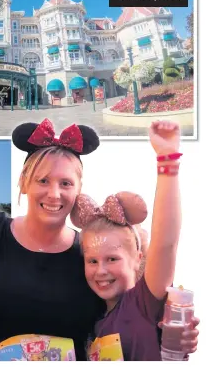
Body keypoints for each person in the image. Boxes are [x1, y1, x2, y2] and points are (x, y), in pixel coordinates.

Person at [0, 79, 199, 361]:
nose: (54, 194)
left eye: (66, 184)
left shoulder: (89, 255)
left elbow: (138, 295)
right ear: (24, 182)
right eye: (42, 180)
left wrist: (169, 328)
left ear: (79, 190)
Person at [70, 121, 192, 361]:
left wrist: (168, 160)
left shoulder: (143, 302)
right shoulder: (92, 320)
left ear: (138, 258)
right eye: (92, 260)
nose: (101, 270)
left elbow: (166, 243)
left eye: (112, 258)